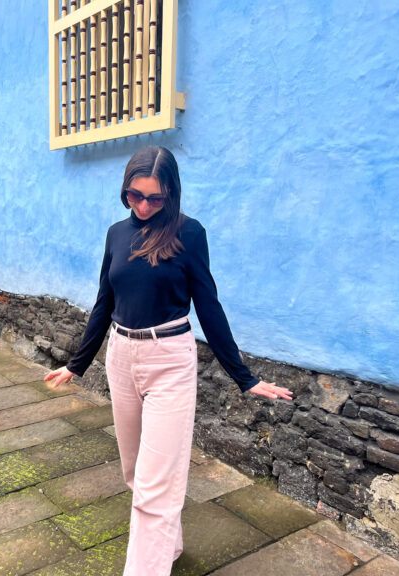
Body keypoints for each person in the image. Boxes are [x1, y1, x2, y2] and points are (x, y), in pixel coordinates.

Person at [44, 146, 293, 576]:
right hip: (121, 357)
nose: (142, 206)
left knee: (155, 488)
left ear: (171, 194)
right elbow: (105, 301)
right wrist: (77, 363)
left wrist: (244, 377)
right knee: (135, 473)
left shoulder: (188, 233)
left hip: (170, 359)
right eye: (133, 196)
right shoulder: (116, 235)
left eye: (154, 198)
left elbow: (208, 307)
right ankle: (168, 545)